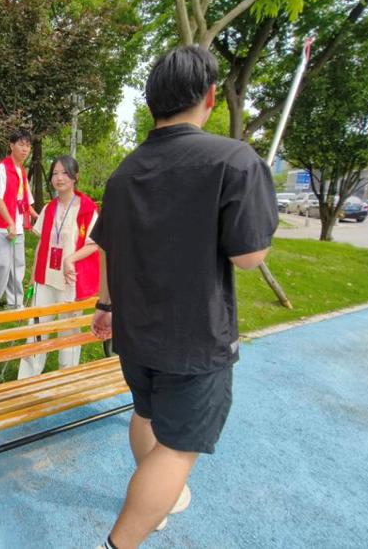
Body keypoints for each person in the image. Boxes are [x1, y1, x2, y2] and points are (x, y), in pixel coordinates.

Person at [91, 46, 278, 549]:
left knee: (146, 415)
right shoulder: (234, 160)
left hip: (136, 336)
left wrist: (104, 306)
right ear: (210, 97)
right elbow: (250, 257)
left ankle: (158, 503)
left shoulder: (123, 173)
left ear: (152, 101)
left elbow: (107, 247)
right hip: (194, 340)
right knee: (177, 448)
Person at [18, 155, 99, 379]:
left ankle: (67, 378)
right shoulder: (49, 208)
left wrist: (70, 259)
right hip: (46, 278)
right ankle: (27, 379)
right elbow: (41, 244)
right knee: (36, 329)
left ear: (75, 177)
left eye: (64, 173)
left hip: (70, 279)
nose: (59, 178)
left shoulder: (87, 208)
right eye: (55, 173)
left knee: (68, 332)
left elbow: (93, 243)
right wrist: (33, 274)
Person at [0, 128, 38, 313]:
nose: (25, 149)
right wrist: (10, 223)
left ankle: (14, 303)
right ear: (11, 145)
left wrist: (39, 218)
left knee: (17, 266)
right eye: (21, 145)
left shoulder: (21, 171)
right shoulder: (2, 169)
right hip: (0, 227)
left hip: (17, 227)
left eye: (28, 145)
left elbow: (25, 202)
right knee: (3, 265)